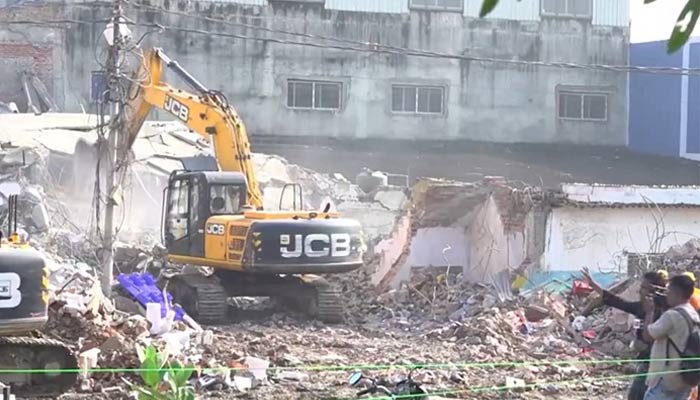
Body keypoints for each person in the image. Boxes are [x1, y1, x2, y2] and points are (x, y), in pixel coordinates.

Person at [583, 267, 668, 400]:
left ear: (653, 290)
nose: (640, 291)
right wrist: (594, 285)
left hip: (659, 366)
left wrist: (646, 346)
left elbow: (661, 338)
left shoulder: (664, 312)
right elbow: (617, 301)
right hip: (644, 362)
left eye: (644, 287)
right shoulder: (641, 307)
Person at [642, 274, 700, 400]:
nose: (666, 295)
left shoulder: (672, 316)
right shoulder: (693, 314)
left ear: (675, 293)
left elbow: (648, 336)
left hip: (666, 378)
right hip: (686, 377)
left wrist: (649, 312)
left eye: (668, 292)